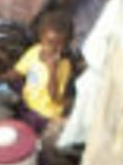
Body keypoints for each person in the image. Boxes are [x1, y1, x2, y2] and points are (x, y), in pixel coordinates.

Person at [5, 10, 77, 146]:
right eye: (51, 43)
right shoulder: (34, 52)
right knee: (8, 94)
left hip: (44, 112)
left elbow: (54, 97)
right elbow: (18, 72)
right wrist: (1, 78)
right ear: (41, 39)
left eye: (61, 45)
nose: (56, 49)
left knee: (26, 135)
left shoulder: (64, 66)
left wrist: (52, 71)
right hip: (28, 99)